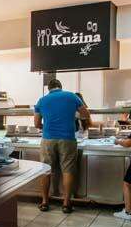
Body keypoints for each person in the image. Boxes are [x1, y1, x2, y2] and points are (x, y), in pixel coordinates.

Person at [34, 79, 91, 213]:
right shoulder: (72, 96)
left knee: (45, 170)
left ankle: (44, 202)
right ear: (60, 87)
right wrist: (73, 116)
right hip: (68, 138)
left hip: (48, 139)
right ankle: (66, 204)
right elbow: (85, 115)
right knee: (67, 170)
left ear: (49, 89)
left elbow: (36, 124)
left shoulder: (42, 100)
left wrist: (46, 126)